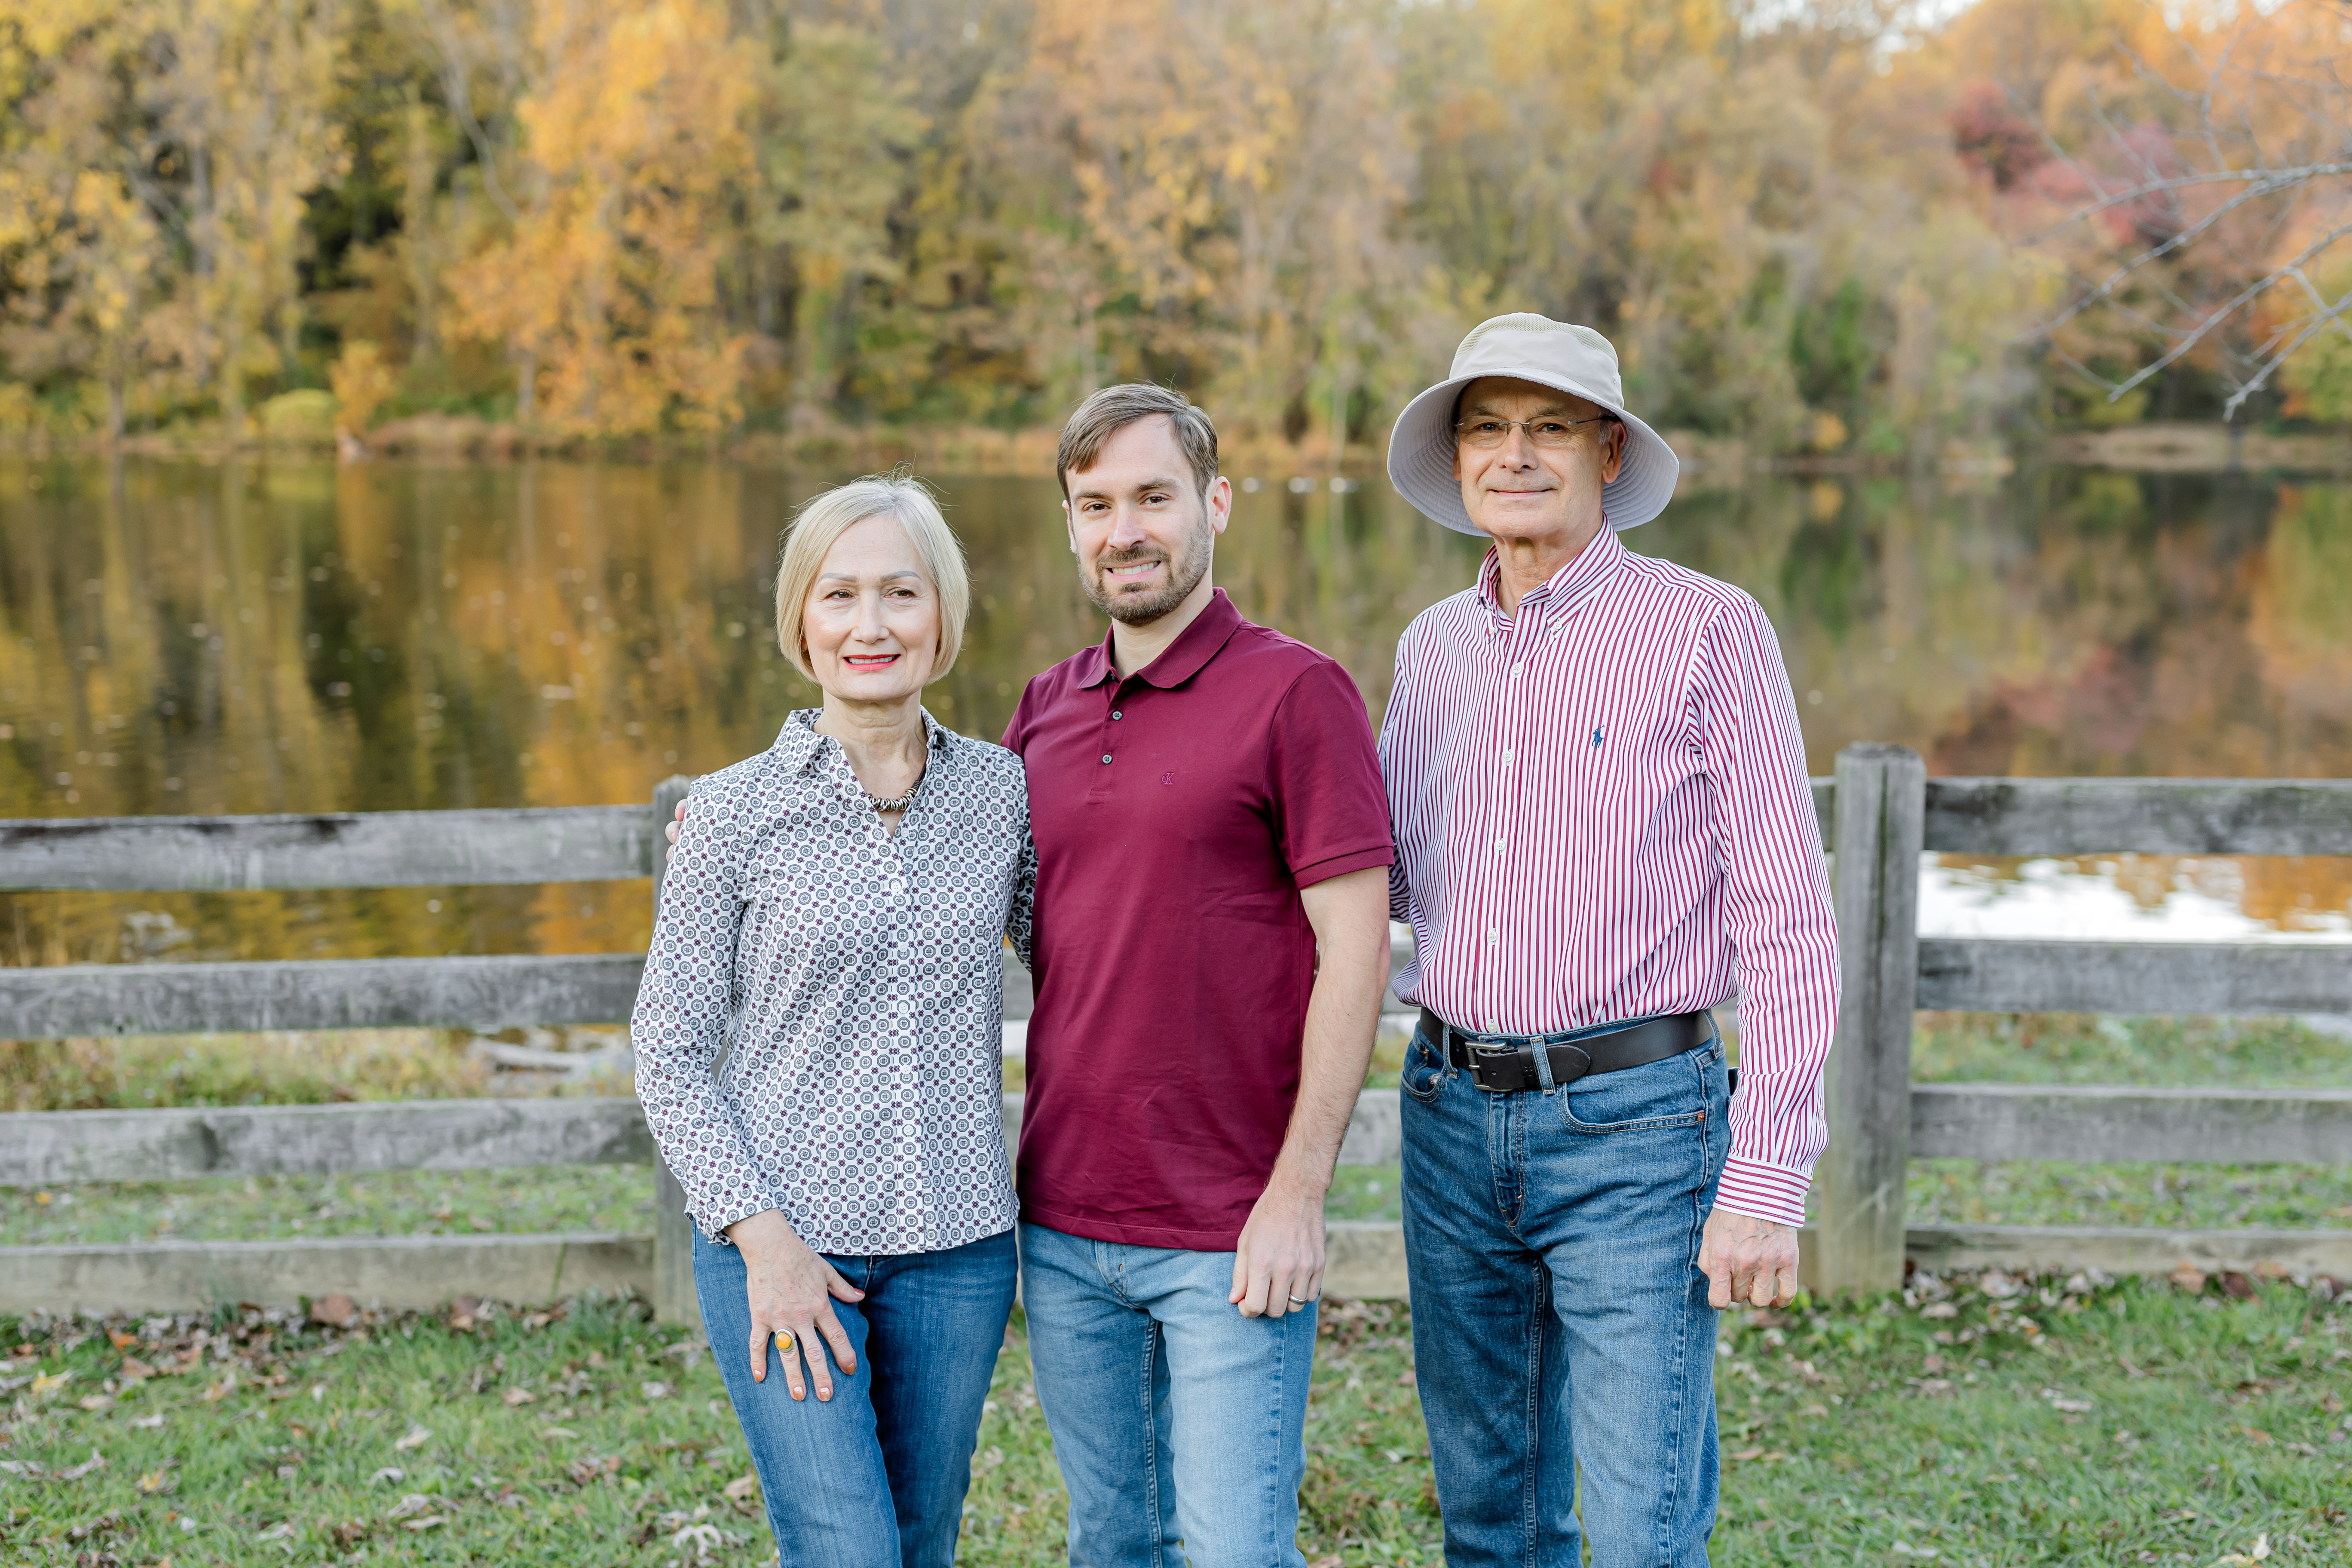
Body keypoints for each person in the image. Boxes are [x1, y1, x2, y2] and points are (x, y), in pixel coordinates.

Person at [1378, 314, 1840, 1566]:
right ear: (1459, 459)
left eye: (1549, 429)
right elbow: (1389, 898)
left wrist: (1766, 1179)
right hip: (1448, 1116)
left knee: (1642, 1529)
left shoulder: (1710, 629)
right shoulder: (1432, 652)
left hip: (1638, 1124)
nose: (1514, 456)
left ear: (1612, 454)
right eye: (1486, 429)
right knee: (1492, 1521)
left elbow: (1788, 916)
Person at [1005, 384, 1395, 1567]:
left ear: (1214, 503)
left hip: (1231, 1231)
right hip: (1064, 1221)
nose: (1125, 530)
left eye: (1153, 498)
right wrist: (741, 824)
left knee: (1232, 1552)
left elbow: (1359, 947)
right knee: (1111, 1543)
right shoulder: (1044, 709)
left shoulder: (1297, 693)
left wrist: (1297, 1195)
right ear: (1071, 524)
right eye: (1096, 504)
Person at [632, 472, 1034, 1568]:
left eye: (900, 594)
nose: (871, 625)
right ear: (799, 620)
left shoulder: (1006, 796)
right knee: (847, 1549)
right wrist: (765, 1244)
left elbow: (1094, 966)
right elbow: (667, 1055)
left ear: (941, 614)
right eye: (839, 595)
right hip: (785, 1244)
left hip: (959, 1252)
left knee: (920, 1542)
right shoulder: (728, 815)